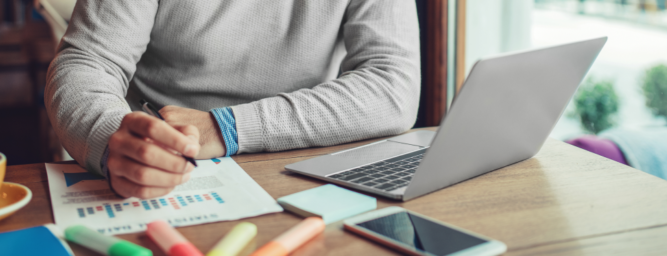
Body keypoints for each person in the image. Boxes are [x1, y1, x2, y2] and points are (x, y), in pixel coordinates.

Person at [45, 1, 421, 199]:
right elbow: (87, 62)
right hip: (172, 166)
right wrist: (112, 138)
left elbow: (393, 84)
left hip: (305, 160)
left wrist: (225, 127)